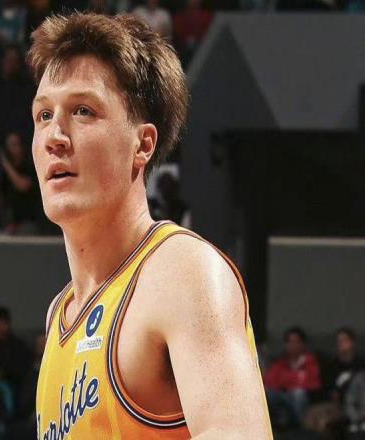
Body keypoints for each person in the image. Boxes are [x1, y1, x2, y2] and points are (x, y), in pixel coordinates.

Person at [27, 12, 272, 439]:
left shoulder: (182, 272)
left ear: (142, 144)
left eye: (83, 111)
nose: (54, 136)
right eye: (44, 114)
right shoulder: (59, 315)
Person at [264, 326, 321, 428]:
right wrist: (295, 379)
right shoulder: (281, 362)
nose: (292, 345)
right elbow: (269, 381)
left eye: (295, 342)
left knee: (298, 394)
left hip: (304, 399)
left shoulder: (310, 361)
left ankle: (300, 426)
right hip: (283, 395)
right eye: (289, 342)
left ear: (302, 344)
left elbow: (313, 384)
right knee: (269, 393)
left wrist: (287, 380)